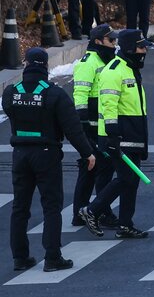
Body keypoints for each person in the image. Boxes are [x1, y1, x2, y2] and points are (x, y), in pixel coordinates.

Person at [6, 48, 96, 272]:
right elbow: (73, 128)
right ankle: (53, 257)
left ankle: (20, 257)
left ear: (26, 64)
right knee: (51, 206)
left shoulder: (11, 92)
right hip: (47, 153)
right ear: (45, 66)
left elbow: (11, 112)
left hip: (19, 154)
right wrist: (87, 153)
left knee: (20, 207)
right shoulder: (54, 93)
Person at [78, 29, 152, 239]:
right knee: (126, 178)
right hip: (118, 136)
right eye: (141, 46)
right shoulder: (114, 70)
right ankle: (91, 210)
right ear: (129, 48)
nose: (144, 50)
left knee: (131, 181)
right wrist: (112, 136)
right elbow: (108, 106)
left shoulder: (130, 69)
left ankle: (125, 224)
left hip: (133, 134)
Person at [69, 25, 117, 228]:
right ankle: (101, 212)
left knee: (92, 168)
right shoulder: (88, 63)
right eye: (110, 41)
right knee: (95, 168)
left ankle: (81, 213)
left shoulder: (105, 60)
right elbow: (80, 96)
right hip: (91, 127)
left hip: (101, 126)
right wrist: (84, 128)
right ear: (98, 41)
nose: (114, 44)